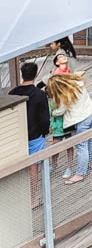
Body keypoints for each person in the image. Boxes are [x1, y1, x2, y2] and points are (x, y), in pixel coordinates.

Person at [48, 71, 92, 185]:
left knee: (81, 146)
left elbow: (60, 110)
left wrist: (52, 113)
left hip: (81, 119)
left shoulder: (66, 93)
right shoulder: (77, 81)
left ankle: (80, 173)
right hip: (91, 111)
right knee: (91, 139)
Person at [10, 62, 49, 206]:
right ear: (36, 74)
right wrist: (45, 132)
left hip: (16, 135)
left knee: (18, 167)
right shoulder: (39, 95)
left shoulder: (13, 93)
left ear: (21, 74)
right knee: (34, 167)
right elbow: (44, 119)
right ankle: (33, 199)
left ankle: (17, 199)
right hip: (35, 135)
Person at [44, 54, 74, 175]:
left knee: (68, 144)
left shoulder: (67, 70)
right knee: (56, 144)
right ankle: (54, 165)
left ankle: (69, 166)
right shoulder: (57, 74)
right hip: (57, 123)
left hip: (66, 120)